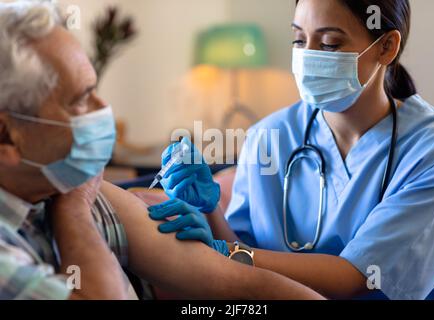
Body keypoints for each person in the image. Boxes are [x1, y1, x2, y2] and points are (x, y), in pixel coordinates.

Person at [0, 0, 324, 300]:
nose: (103, 108)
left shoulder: (60, 186)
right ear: (7, 137)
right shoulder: (75, 196)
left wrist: (221, 239)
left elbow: (245, 285)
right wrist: (75, 208)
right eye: (81, 98)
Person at [152, 0, 434, 300]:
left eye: (330, 43)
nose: (308, 56)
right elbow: (243, 252)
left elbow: (356, 277)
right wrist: (210, 211)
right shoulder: (268, 137)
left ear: (385, 46)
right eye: (299, 39)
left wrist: (229, 254)